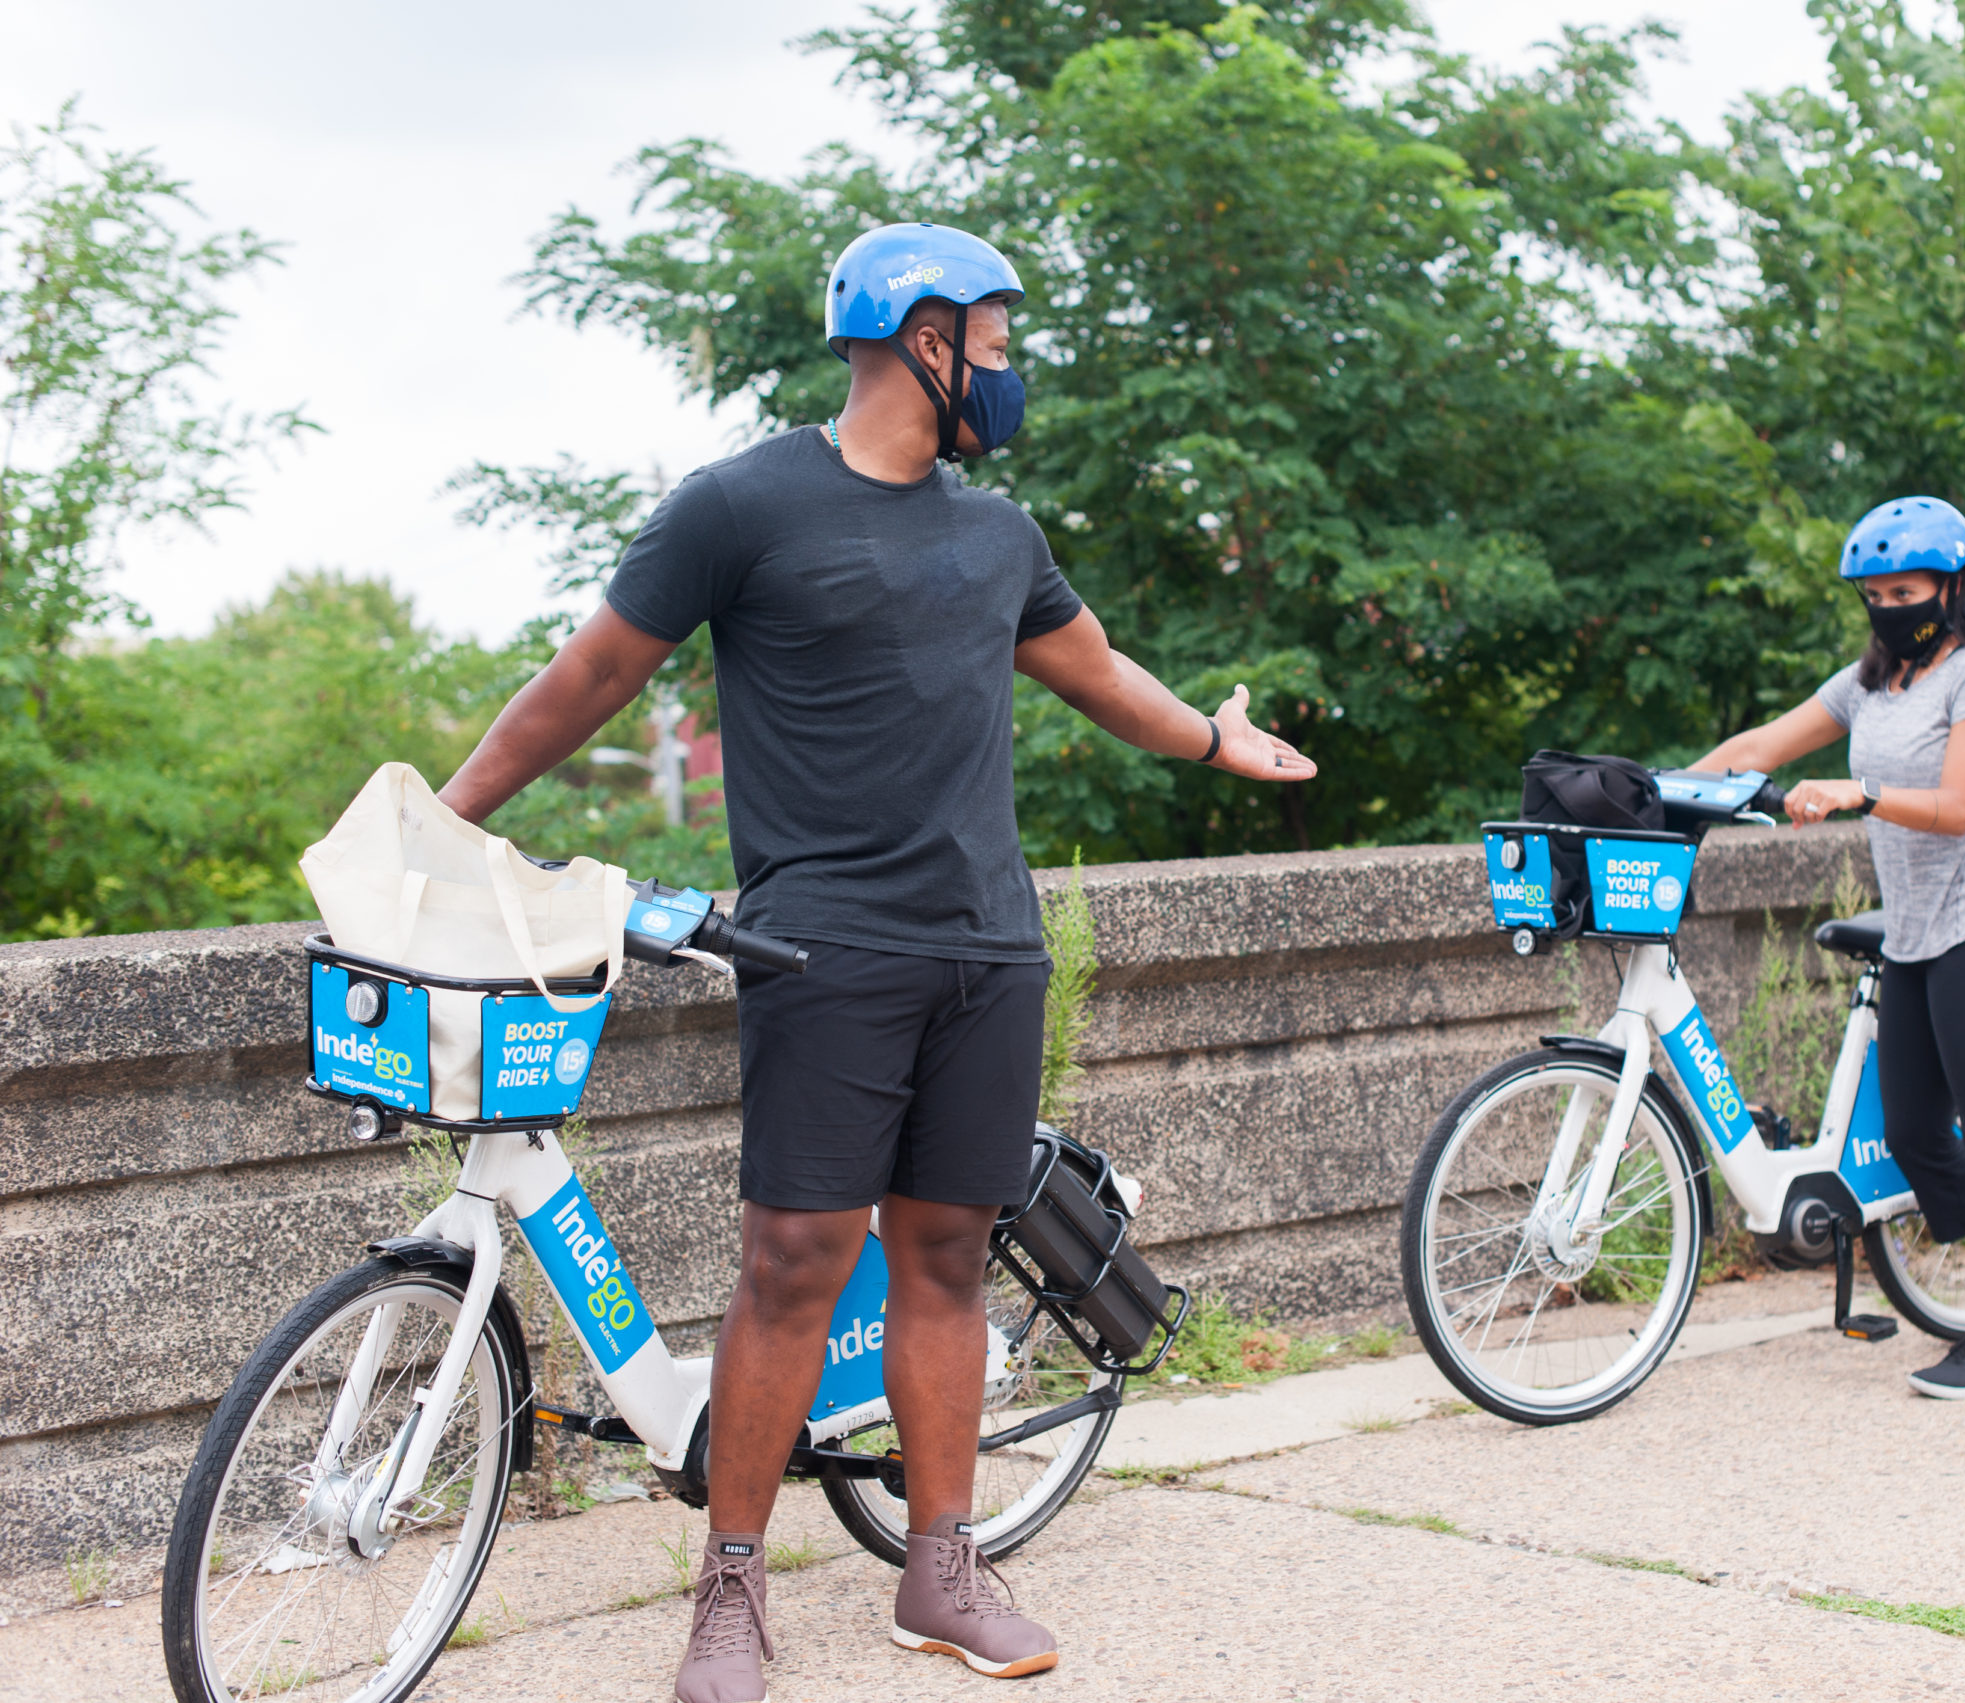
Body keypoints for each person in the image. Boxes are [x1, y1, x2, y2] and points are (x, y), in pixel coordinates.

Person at [436, 221, 1316, 1698]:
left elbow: (1103, 675)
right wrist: (448, 816)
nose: (1009, 366)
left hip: (987, 943)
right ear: (922, 335)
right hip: (819, 951)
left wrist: (1217, 735)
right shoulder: (741, 507)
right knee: (791, 1262)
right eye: (994, 336)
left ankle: (941, 1559)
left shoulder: (997, 534)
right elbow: (592, 671)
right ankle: (729, 1587)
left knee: (948, 1253)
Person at [1685, 496, 1965, 1400]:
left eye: (1907, 589)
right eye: (1876, 593)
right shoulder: (1866, 684)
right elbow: (1761, 744)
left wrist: (1859, 791)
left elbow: (1955, 807)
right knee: (1910, 1136)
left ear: (1952, 586)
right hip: (1916, 936)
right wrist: (1660, 789)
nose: (1891, 606)